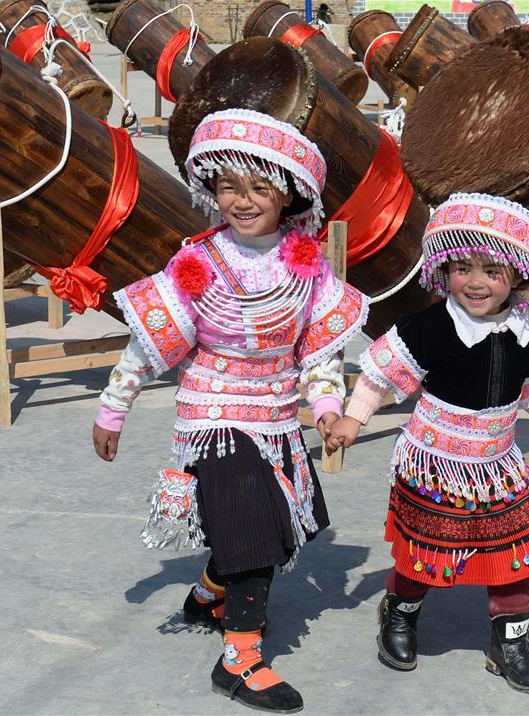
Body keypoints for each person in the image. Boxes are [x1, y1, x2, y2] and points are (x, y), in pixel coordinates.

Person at [92, 108, 368, 713]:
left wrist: (325, 405)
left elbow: (318, 348)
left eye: (259, 188)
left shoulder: (308, 265)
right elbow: (148, 342)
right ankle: (239, 658)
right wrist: (115, 405)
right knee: (252, 528)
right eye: (228, 186)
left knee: (267, 523)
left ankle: (205, 596)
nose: (241, 200)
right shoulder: (198, 262)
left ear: (288, 195)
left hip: (276, 415)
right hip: (213, 410)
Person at [329, 193, 529, 694]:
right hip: (436, 462)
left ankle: (509, 642)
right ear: (443, 270)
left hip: (499, 465)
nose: (476, 282)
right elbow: (381, 375)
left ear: (520, 278)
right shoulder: (432, 326)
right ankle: (400, 613)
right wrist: (353, 419)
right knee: (425, 552)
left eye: (492, 270)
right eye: (462, 267)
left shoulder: (524, 330)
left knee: (513, 556)